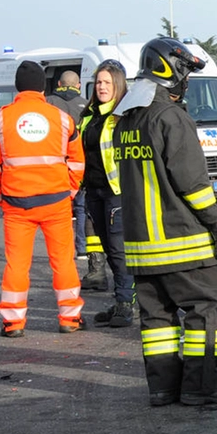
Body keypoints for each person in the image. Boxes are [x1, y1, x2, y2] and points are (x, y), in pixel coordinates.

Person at [113, 38, 217, 406]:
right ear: (169, 71)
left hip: (141, 247)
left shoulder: (127, 119)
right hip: (181, 241)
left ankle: (163, 387)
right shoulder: (170, 117)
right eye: (184, 71)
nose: (186, 79)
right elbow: (193, 182)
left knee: (156, 320)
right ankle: (202, 386)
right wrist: (216, 222)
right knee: (205, 309)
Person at [0, 61, 87, 337]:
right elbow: (77, 160)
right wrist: (71, 190)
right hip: (57, 202)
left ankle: (13, 323)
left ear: (17, 86)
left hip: (17, 204)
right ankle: (70, 318)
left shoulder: (0, 120)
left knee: (17, 264)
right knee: (63, 261)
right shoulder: (62, 119)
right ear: (44, 87)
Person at [80, 60, 136, 328]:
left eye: (107, 82)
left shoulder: (124, 115)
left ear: (118, 85)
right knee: (106, 247)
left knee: (117, 250)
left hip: (117, 192)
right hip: (93, 192)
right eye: (99, 82)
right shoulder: (89, 115)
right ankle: (120, 301)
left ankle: (126, 305)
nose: (101, 87)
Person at [46, 70, 98, 288]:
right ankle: (82, 249)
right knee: (80, 209)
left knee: (58, 212)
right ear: (78, 85)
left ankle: (61, 251)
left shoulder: (48, 103)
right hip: (79, 166)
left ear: (59, 84)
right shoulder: (86, 105)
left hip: (53, 167)